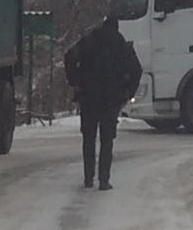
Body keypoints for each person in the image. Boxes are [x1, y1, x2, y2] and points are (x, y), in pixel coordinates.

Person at [61, 10, 142, 190]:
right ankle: (104, 180)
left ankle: (88, 178)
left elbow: (69, 56)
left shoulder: (89, 40)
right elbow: (137, 70)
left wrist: (75, 81)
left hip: (88, 97)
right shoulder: (122, 45)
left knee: (88, 139)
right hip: (111, 99)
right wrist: (128, 93)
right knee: (107, 140)